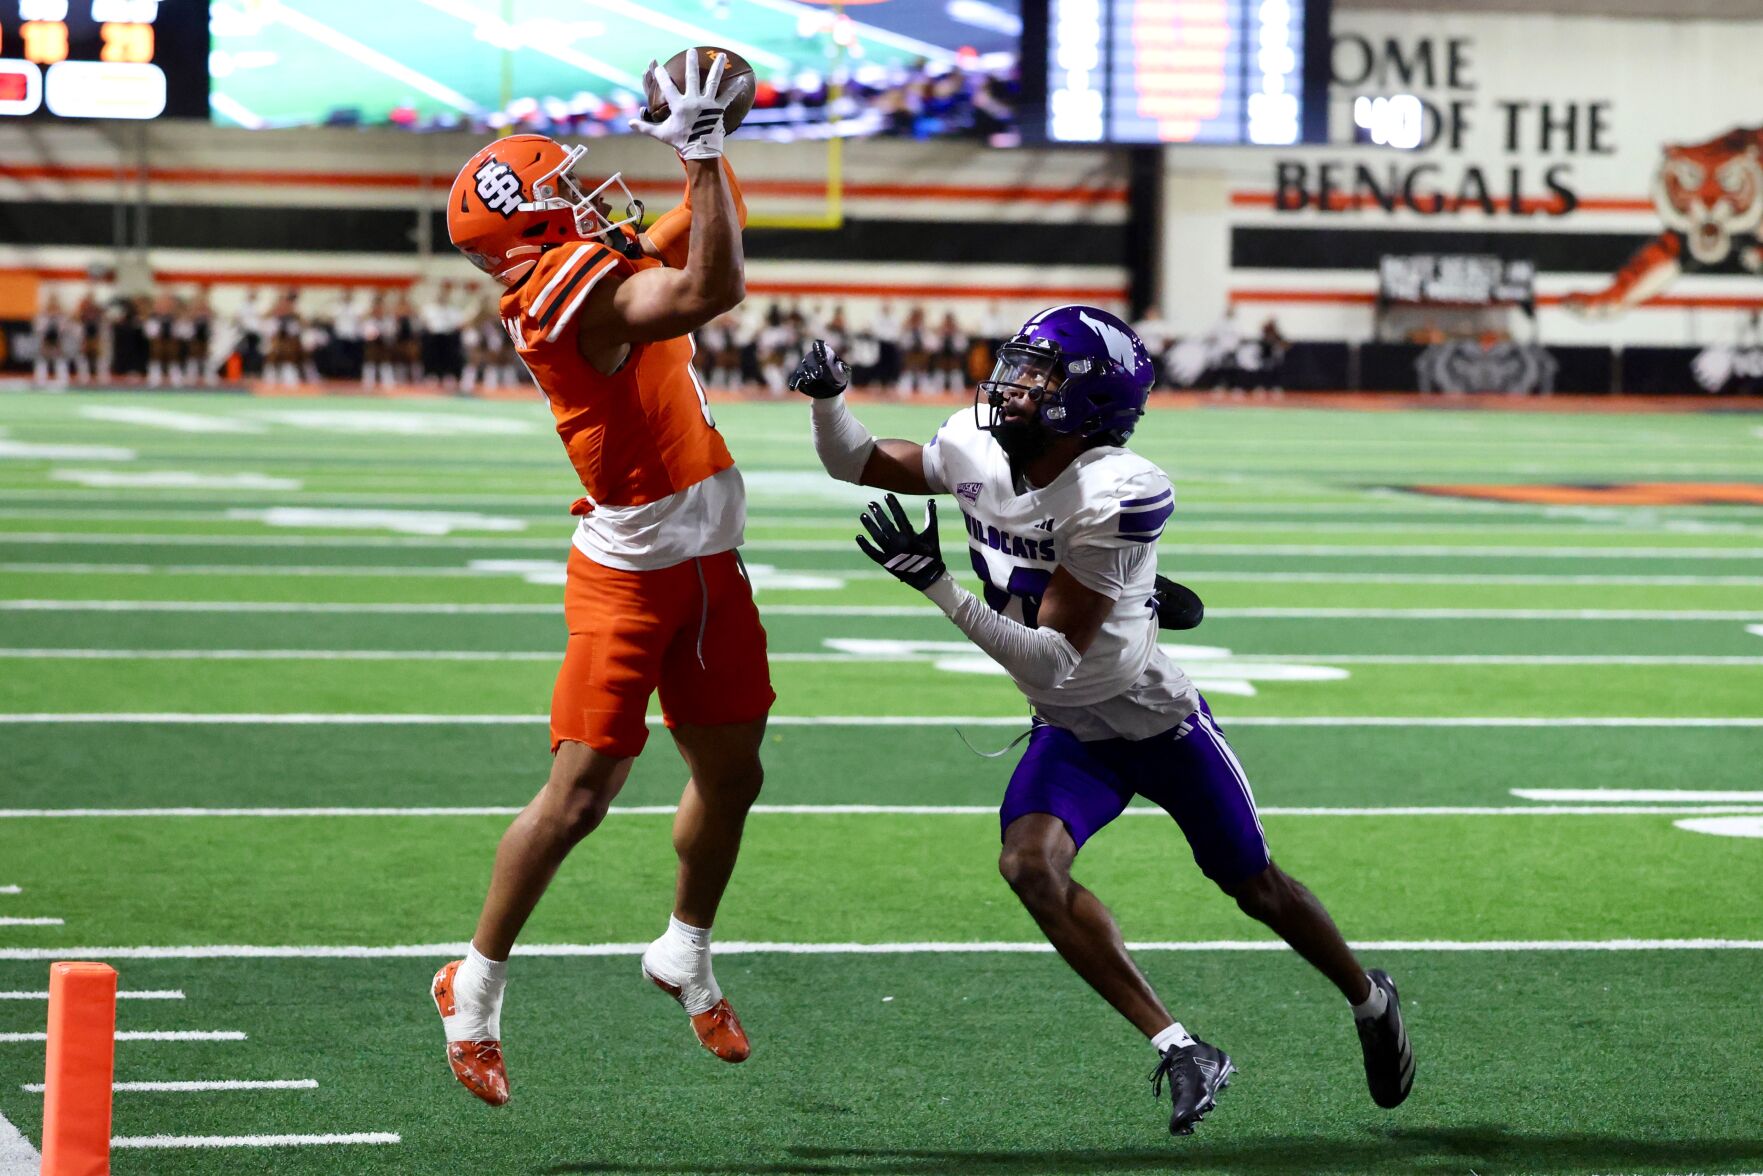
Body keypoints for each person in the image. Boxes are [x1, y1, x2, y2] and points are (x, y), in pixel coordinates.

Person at [787, 307, 1414, 1136]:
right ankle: (1180, 1046)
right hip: (1069, 729)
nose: (1012, 385)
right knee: (1028, 866)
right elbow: (858, 461)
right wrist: (828, 399)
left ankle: (1368, 999)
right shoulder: (977, 446)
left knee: (1254, 885)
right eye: (1018, 366)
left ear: (1089, 400)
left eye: (1038, 375)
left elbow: (1052, 659)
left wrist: (938, 586)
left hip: (1153, 720)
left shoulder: (1115, 489)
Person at [434, 53, 773, 1108]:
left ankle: (684, 951)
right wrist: (700, 153)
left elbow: (705, 219)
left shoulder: (576, 262)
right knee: (579, 796)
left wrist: (703, 139)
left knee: (733, 776)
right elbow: (714, 285)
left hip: (708, 565)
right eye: (565, 191)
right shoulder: (558, 294)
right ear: (529, 228)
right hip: (631, 577)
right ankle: (471, 988)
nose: (589, 197)